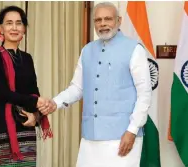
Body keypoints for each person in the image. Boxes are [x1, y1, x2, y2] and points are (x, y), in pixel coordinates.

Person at [39, 2, 152, 167]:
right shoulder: (87, 50)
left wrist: (132, 130)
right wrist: (54, 103)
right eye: (98, 20)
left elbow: (145, 94)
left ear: (119, 21)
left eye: (108, 19)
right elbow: (77, 88)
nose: (103, 24)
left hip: (122, 136)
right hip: (90, 137)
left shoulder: (134, 49)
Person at [0, 6, 52, 167]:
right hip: (1, 124)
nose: (14, 27)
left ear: (24, 29)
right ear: (1, 28)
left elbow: (34, 91)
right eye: (9, 23)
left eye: (18, 23)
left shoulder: (27, 58)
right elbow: (1, 92)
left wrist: (35, 116)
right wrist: (33, 102)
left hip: (25, 123)